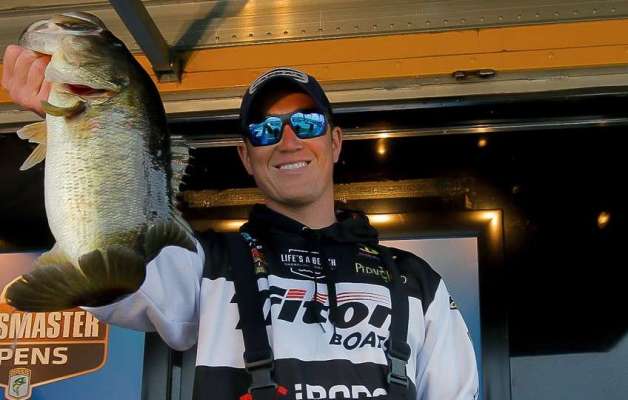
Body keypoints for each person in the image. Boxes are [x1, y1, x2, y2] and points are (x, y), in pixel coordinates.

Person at [2, 45, 479, 400]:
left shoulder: (418, 283)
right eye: (265, 130)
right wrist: (73, 123)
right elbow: (107, 273)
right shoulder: (206, 265)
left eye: (307, 123)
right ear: (246, 157)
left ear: (334, 142)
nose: (288, 140)